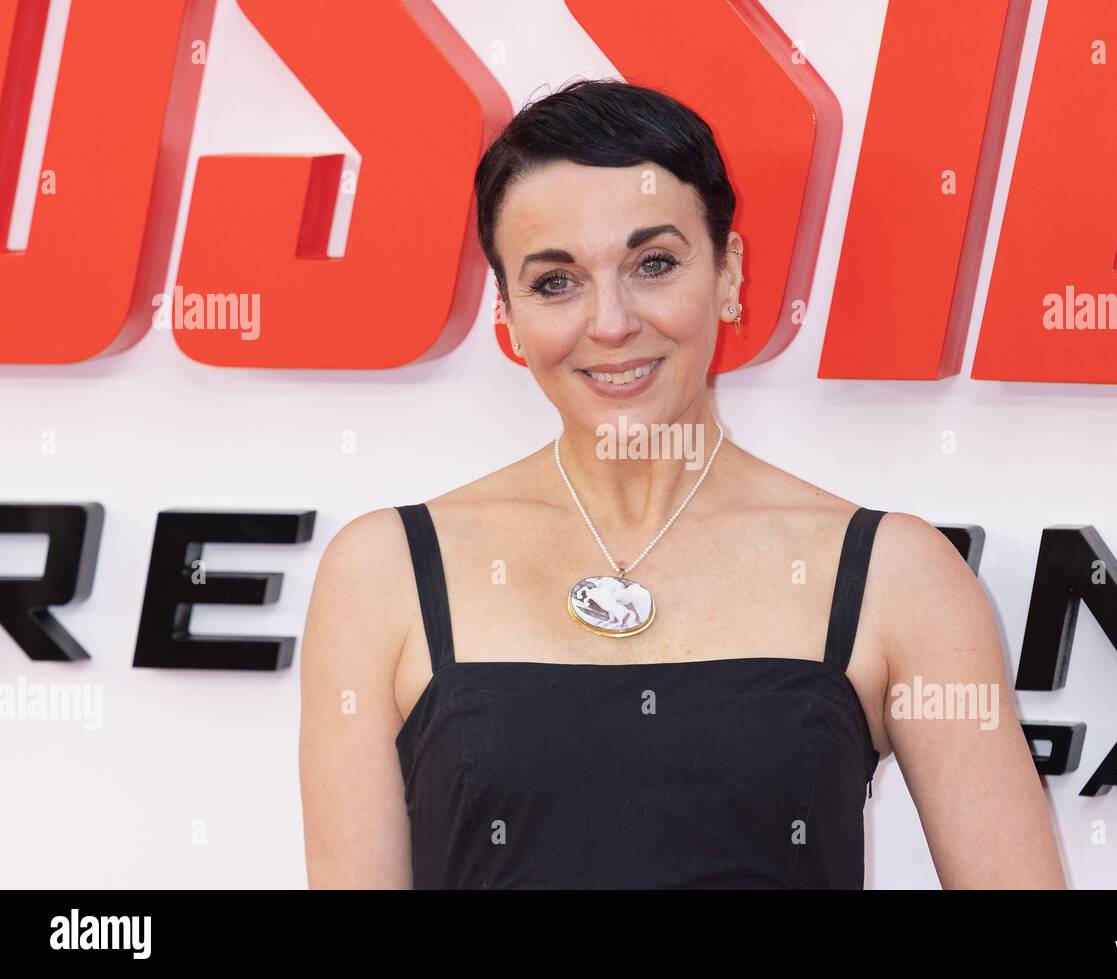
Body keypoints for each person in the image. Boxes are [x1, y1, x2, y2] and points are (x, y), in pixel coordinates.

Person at [299, 78, 1066, 889]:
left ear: (728, 274)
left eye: (653, 263)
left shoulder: (894, 573)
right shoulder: (382, 572)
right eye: (555, 281)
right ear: (509, 315)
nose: (610, 322)